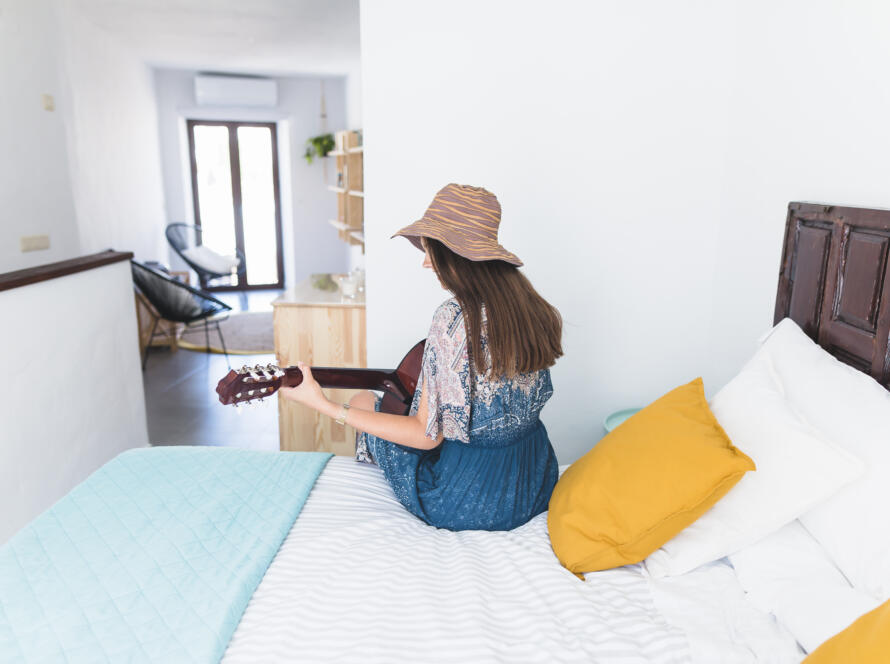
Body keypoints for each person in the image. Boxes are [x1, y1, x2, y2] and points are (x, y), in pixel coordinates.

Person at [280, 183, 562, 531]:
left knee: (364, 401)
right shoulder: (533, 306)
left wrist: (326, 406)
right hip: (534, 481)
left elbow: (426, 437)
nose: (426, 263)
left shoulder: (454, 318)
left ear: (454, 252)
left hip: (469, 498)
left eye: (430, 251)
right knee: (389, 406)